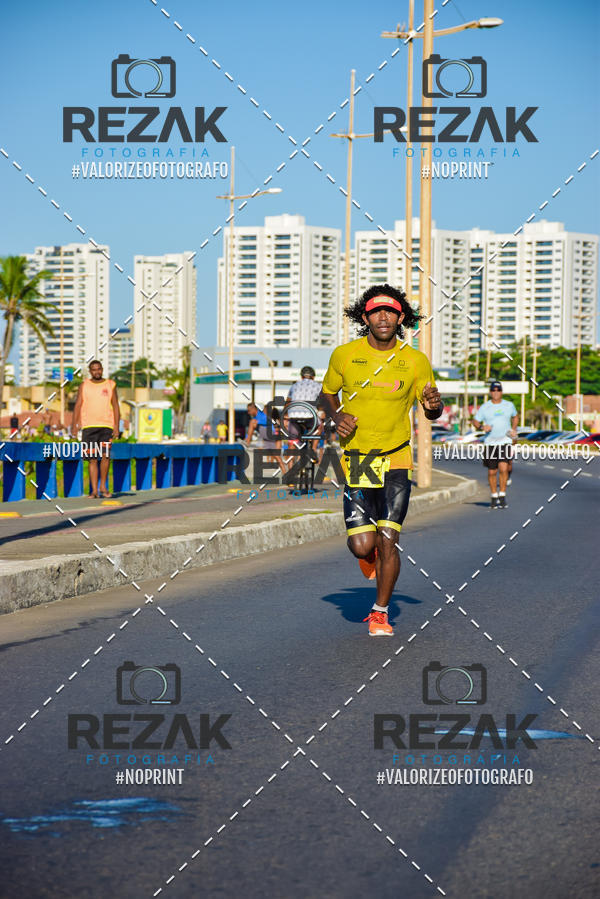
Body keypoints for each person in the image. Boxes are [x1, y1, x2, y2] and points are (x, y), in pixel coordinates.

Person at [320, 284, 443, 637]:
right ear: (365, 317)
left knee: (388, 536)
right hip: (360, 459)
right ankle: (369, 555)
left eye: (391, 311)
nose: (384, 317)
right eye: (376, 312)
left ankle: (380, 612)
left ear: (401, 318)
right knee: (362, 545)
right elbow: (327, 394)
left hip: (397, 457)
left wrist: (434, 406)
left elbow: (431, 409)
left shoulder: (415, 361)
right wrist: (336, 416)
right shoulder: (345, 355)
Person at [72, 360, 119, 499]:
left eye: (99, 369)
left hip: (106, 426)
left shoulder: (110, 384)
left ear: (102, 369)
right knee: (92, 459)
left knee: (105, 456)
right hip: (88, 426)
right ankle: (94, 491)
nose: (96, 372)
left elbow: (115, 405)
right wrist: (74, 425)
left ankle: (103, 486)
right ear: (90, 371)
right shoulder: (84, 385)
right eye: (94, 369)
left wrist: (116, 425)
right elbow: (78, 405)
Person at [472, 381, 518, 509]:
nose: (496, 392)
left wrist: (514, 429)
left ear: (501, 392)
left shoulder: (509, 405)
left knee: (503, 468)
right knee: (492, 471)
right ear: (490, 392)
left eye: (498, 390)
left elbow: (515, 416)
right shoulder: (485, 407)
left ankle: (502, 495)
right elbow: (475, 421)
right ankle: (493, 495)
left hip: (505, 442)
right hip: (490, 443)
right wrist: (482, 427)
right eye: (493, 390)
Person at [245, 402, 286, 476]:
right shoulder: (256, 417)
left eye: (249, 411)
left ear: (254, 409)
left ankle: (247, 442)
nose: (248, 413)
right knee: (276, 455)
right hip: (266, 437)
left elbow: (267, 409)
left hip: (269, 433)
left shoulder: (262, 414)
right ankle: (285, 472)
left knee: (252, 422)